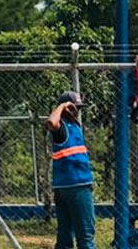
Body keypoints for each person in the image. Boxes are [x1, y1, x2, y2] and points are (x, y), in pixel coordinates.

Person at [48, 90, 95, 249]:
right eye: (75, 108)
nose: (78, 111)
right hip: (77, 186)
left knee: (65, 236)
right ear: (66, 109)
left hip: (65, 187)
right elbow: (51, 122)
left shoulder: (75, 126)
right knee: (85, 236)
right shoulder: (61, 128)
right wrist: (62, 106)